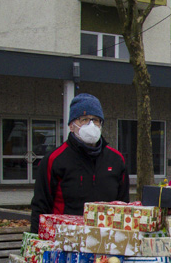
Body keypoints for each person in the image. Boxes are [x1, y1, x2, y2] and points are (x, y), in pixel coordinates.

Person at [30, 93, 129, 232]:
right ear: (72, 125)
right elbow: (40, 206)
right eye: (84, 119)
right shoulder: (54, 160)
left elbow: (124, 206)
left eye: (95, 120)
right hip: (65, 241)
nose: (91, 124)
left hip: (106, 241)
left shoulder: (117, 159)